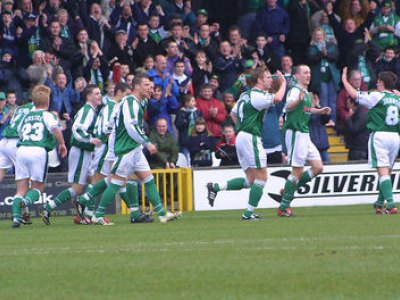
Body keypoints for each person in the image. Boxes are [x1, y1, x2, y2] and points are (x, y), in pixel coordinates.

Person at [91, 74, 179, 224]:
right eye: (146, 85)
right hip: (126, 149)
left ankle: (163, 214)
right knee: (116, 182)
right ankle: (97, 214)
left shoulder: (138, 101)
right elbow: (131, 127)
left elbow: (112, 123)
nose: (150, 88)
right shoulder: (130, 102)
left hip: (134, 149)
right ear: (137, 86)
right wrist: (147, 143)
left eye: (151, 86)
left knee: (149, 179)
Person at [207, 67, 286, 220]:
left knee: (251, 180)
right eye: (268, 77)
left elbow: (233, 114)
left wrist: (241, 129)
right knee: (262, 177)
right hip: (250, 137)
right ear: (259, 80)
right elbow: (277, 99)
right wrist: (283, 83)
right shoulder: (258, 95)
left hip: (242, 136)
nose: (271, 79)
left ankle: (215, 187)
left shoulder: (245, 95)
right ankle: (248, 213)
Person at [40, 84, 103, 225]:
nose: (100, 96)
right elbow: (77, 128)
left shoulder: (90, 110)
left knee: (94, 181)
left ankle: (86, 215)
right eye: (97, 93)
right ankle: (48, 207)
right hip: (81, 150)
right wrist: (90, 139)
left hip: (84, 150)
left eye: (100, 93)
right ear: (89, 96)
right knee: (78, 188)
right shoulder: (88, 111)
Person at [342, 68, 400, 214]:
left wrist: (344, 80)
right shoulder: (398, 98)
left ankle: (391, 204)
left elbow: (355, 95)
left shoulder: (376, 96)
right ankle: (380, 203)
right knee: (388, 171)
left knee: (382, 171)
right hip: (395, 136)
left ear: (381, 83)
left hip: (380, 135)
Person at [278, 65, 331, 217]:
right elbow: (288, 106)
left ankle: (289, 190)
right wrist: (297, 100)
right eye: (305, 73)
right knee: (297, 171)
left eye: (309, 72)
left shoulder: (305, 92)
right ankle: (284, 207)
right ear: (296, 76)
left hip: (304, 134)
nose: (308, 75)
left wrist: (319, 111)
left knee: (318, 167)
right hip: (295, 133)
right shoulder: (295, 90)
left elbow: (305, 110)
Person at [11, 85, 67, 228]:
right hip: (38, 150)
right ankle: (27, 203)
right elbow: (55, 129)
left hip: (22, 149)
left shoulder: (26, 116)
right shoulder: (47, 115)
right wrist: (61, 144)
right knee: (38, 186)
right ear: (47, 102)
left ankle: (17, 217)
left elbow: (18, 131)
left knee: (21, 189)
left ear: (33, 102)